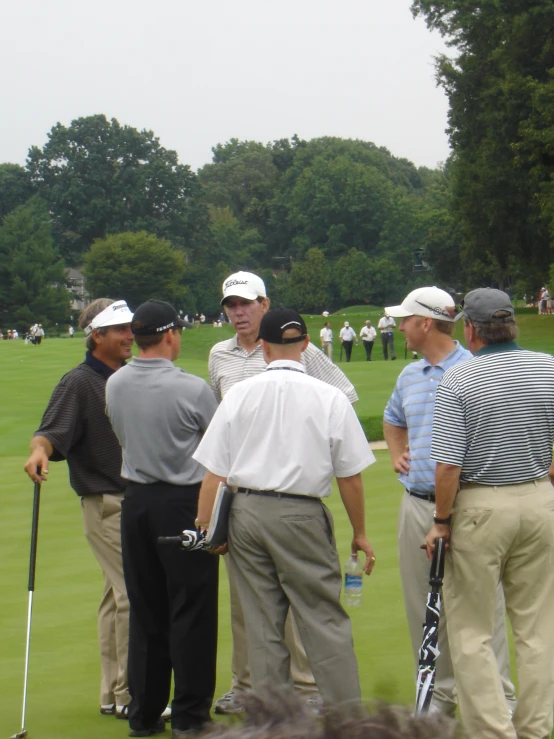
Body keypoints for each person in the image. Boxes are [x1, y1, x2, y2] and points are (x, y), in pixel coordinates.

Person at [194, 308, 376, 707]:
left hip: (245, 514)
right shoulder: (329, 396)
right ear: (307, 344)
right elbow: (350, 475)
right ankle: (346, 722)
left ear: (262, 347)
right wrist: (360, 532)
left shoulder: (239, 394)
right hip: (301, 513)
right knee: (321, 617)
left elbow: (214, 473)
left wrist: (206, 528)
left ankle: (275, 725)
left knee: (261, 625)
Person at [425, 287, 554, 738]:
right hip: (539, 498)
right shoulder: (548, 368)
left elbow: (448, 465)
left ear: (471, 330)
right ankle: (536, 730)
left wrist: (441, 522)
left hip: (481, 504)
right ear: (511, 325)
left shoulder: (459, 379)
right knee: (537, 629)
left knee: (473, 631)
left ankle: (495, 732)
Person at [383, 286, 516, 718]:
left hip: (471, 505)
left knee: (483, 609)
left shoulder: (479, 369)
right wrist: (399, 449)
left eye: (404, 319)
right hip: (418, 503)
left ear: (425, 322)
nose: (398, 326)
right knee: (422, 604)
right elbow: (392, 419)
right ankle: (440, 697)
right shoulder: (409, 375)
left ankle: (498, 698)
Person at [106, 299, 218, 739]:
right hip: (183, 504)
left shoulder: (114, 384)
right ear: (170, 335)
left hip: (135, 503)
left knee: (147, 609)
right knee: (191, 607)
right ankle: (190, 717)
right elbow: (218, 450)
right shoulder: (191, 388)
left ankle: (144, 713)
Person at [23, 298, 137, 719]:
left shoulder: (125, 376)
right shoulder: (80, 382)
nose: (130, 336)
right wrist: (38, 452)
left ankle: (111, 693)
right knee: (133, 594)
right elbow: (49, 434)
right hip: (107, 503)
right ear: (97, 336)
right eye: (120, 329)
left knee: (114, 596)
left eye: (132, 328)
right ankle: (131, 694)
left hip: (131, 501)